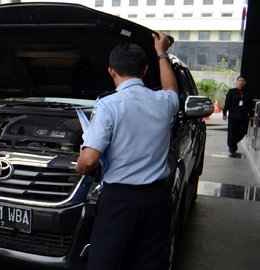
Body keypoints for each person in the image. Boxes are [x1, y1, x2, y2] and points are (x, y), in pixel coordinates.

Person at [76, 32, 179, 270]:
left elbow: (90, 160)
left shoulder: (108, 105)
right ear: (145, 71)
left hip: (119, 202)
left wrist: (80, 163)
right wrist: (161, 53)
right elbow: (171, 88)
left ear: (111, 71)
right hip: (156, 200)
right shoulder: (164, 102)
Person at [222, 76, 254, 157]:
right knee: (231, 133)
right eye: (239, 80)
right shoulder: (232, 92)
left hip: (243, 116)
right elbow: (227, 103)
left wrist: (251, 114)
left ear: (245, 83)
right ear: (237, 82)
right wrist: (224, 113)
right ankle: (232, 148)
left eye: (243, 81)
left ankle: (232, 143)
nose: (241, 82)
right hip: (233, 116)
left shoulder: (248, 92)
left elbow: (250, 105)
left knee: (243, 132)